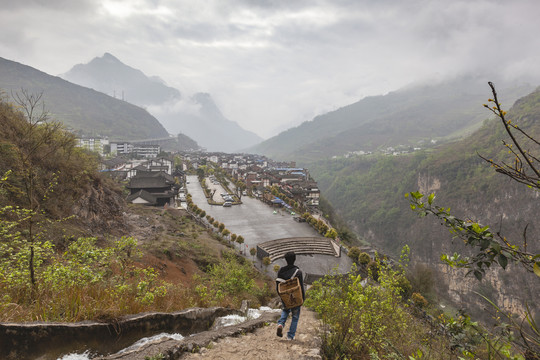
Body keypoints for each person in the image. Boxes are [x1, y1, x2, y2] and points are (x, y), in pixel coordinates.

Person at [275, 251, 305, 340]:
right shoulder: (298, 272)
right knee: (295, 317)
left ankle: (280, 324)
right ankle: (290, 336)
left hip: (285, 296)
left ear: (286, 260)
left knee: (285, 311)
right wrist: (302, 298)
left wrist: (281, 295)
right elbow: (301, 287)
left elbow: (278, 284)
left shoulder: (281, 271)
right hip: (295, 297)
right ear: (294, 259)